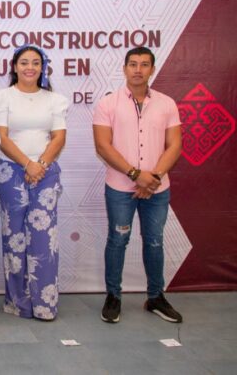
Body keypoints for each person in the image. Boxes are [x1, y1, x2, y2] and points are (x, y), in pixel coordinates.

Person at [93, 47, 183, 324]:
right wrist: (135, 174)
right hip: (120, 187)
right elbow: (103, 146)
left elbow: (175, 145)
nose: (138, 70)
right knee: (118, 240)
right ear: (124, 68)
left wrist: (152, 178)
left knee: (154, 242)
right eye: (133, 64)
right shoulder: (108, 104)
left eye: (144, 65)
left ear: (152, 69)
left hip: (157, 188)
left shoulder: (167, 103)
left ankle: (155, 296)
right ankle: (113, 297)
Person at [0, 45, 68, 321]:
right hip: (11, 172)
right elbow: (2, 137)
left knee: (44, 240)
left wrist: (41, 165)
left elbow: (58, 137)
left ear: (43, 68)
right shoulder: (2, 97)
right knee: (14, 238)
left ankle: (44, 305)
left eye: (36, 63)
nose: (30, 67)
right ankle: (18, 303)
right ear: (14, 67)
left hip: (46, 173)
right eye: (24, 62)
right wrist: (27, 164)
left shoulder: (54, 100)